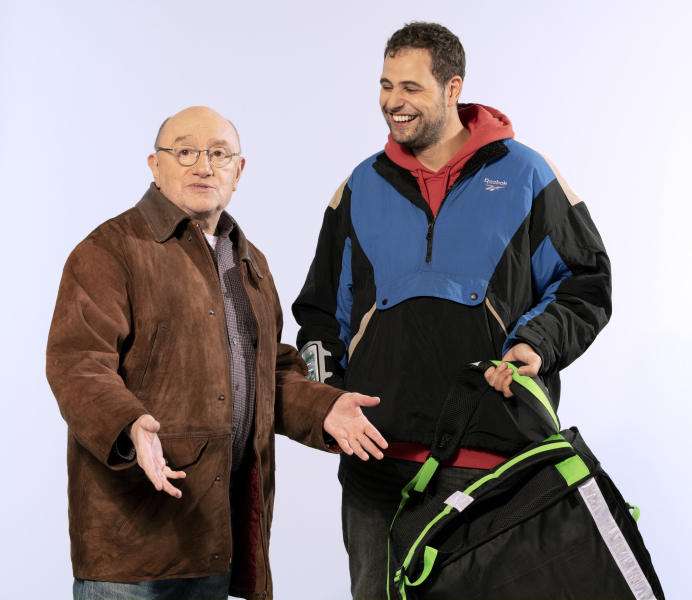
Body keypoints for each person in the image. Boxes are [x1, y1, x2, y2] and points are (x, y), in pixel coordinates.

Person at [292, 22, 612, 598]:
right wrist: (327, 397)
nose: (393, 101)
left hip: (491, 461)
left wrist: (536, 343)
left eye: (410, 87)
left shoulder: (526, 174)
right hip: (376, 465)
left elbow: (586, 282)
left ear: (452, 88)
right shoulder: (360, 186)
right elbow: (319, 315)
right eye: (386, 85)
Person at [46, 106, 386, 600]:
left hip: (215, 537)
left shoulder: (249, 262)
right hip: (130, 546)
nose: (203, 166)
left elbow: (270, 372)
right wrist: (129, 424)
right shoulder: (110, 250)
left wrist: (324, 407)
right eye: (185, 152)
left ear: (238, 171)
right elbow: (78, 364)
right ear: (154, 164)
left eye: (219, 154)